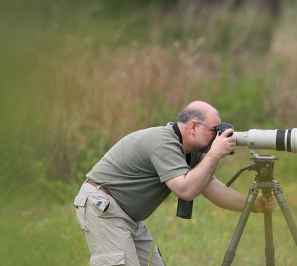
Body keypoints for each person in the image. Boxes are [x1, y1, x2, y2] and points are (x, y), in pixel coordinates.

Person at [74, 101, 277, 266]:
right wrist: (215, 153)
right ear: (193, 126)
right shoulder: (164, 142)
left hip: (128, 217)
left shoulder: (191, 153)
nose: (217, 136)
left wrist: (254, 205)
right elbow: (185, 190)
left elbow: (214, 189)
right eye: (214, 130)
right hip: (103, 208)